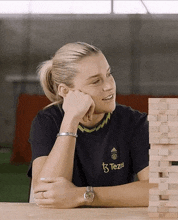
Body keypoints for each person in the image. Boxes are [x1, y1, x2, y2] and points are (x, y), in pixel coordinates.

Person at [27, 42, 156, 209]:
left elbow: (159, 191)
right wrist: (71, 120)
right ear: (66, 91)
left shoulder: (134, 122)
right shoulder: (48, 120)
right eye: (96, 81)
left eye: (109, 74)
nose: (109, 86)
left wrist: (83, 195)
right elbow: (45, 194)